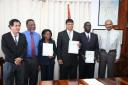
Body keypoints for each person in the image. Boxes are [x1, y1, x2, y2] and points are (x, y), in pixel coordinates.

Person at [1, 19, 27, 85]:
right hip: (9, 63)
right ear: (10, 26)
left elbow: (25, 48)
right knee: (8, 82)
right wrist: (14, 59)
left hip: (20, 63)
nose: (18, 27)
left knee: (21, 82)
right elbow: (5, 50)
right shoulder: (5, 36)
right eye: (16, 26)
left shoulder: (23, 36)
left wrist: (20, 58)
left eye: (19, 25)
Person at [23, 19, 40, 85]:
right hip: (25, 60)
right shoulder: (22, 35)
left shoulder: (38, 35)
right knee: (24, 78)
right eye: (31, 25)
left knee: (34, 78)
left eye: (34, 24)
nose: (33, 26)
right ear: (27, 26)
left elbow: (39, 48)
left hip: (35, 60)